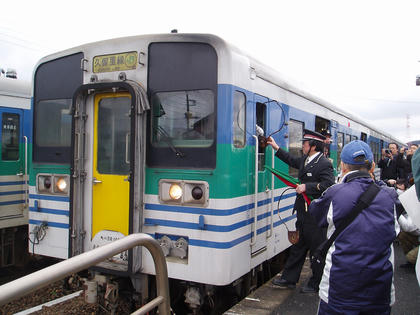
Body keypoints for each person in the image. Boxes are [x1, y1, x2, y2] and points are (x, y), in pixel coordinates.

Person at [309, 140, 399, 314]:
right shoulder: (390, 196)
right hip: (379, 292)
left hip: (338, 290)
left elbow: (315, 212)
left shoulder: (334, 193)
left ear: (342, 166)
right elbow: (398, 229)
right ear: (373, 166)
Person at [267, 129, 335, 293]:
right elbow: (291, 160)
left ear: (312, 146)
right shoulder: (306, 159)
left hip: (315, 213)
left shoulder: (324, 163)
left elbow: (329, 185)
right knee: (298, 245)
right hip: (302, 211)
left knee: (316, 247)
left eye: (304, 143)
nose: (302, 146)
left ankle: (317, 282)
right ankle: (289, 279)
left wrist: (307, 186)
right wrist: (276, 147)